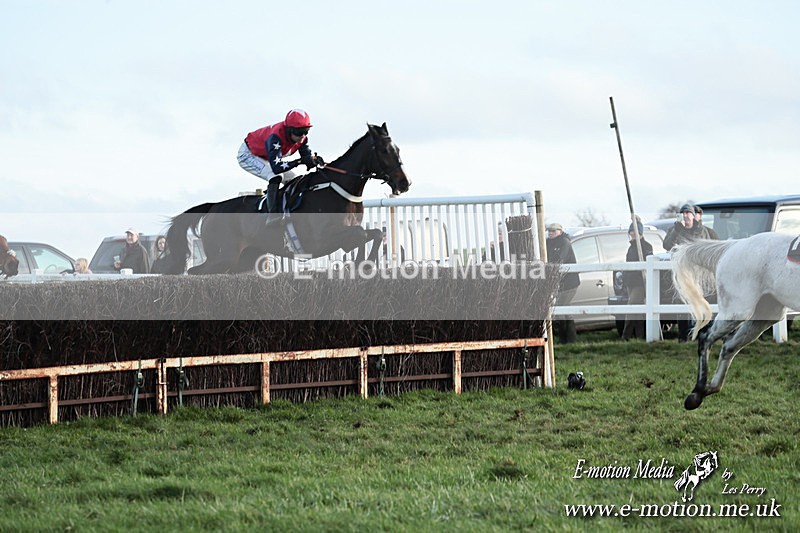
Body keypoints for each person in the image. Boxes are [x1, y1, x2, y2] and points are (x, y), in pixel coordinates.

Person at [237, 109, 324, 213]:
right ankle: (272, 215)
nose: (303, 136)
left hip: (266, 157)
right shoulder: (275, 137)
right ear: (289, 130)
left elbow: (306, 157)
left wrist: (314, 161)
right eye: (299, 132)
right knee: (275, 176)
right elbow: (277, 168)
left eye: (306, 131)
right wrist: (299, 162)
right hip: (248, 155)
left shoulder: (302, 138)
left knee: (296, 180)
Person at [663, 204, 716, 341]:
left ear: (693, 215)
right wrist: (676, 230)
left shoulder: (702, 230)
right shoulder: (675, 229)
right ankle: (683, 337)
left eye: (688, 213)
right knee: (682, 303)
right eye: (683, 213)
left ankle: (701, 334)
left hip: (698, 273)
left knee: (700, 301)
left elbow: (704, 246)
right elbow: (667, 246)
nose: (685, 216)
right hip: (682, 273)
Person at [546, 223, 579, 343]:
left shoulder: (565, 242)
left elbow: (560, 259)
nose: (550, 233)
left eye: (553, 231)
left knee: (561, 308)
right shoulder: (548, 243)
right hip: (559, 282)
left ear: (560, 231)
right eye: (549, 231)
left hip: (569, 282)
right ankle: (569, 339)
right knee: (565, 309)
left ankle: (565, 338)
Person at [621, 221, 653, 340]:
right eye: (631, 231)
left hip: (640, 283)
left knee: (631, 307)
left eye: (635, 231)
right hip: (630, 283)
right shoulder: (631, 248)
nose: (633, 233)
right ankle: (640, 335)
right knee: (637, 310)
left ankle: (626, 335)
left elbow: (649, 262)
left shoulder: (646, 246)